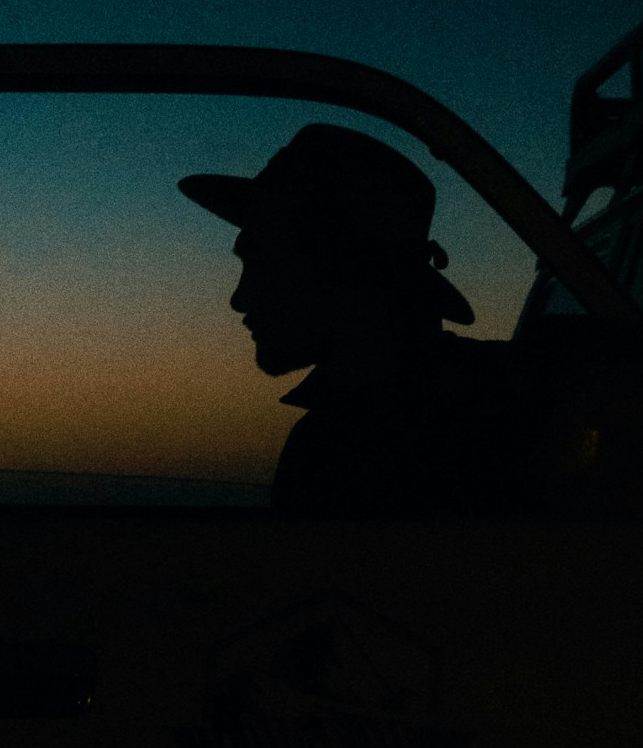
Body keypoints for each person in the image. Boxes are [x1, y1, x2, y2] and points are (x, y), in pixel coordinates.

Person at [179, 122, 532, 515]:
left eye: (269, 265)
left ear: (352, 270)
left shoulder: (339, 446)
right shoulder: (505, 393)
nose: (239, 299)